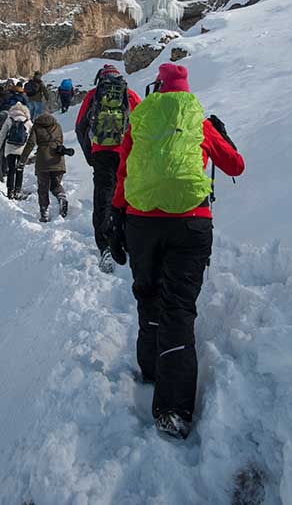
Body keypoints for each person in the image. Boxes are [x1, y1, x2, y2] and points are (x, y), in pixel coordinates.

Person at [109, 62, 244, 440]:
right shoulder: (198, 121)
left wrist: (117, 216)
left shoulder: (140, 119)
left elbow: (123, 172)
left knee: (148, 295)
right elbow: (235, 166)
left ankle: (150, 369)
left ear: (158, 87)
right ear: (185, 89)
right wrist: (222, 135)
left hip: (141, 224)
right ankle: (173, 411)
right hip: (191, 224)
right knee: (179, 309)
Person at [75, 64, 141, 273]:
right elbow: (143, 124)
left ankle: (105, 246)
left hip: (101, 153)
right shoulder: (130, 95)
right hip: (125, 153)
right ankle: (126, 241)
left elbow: (80, 126)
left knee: (103, 196)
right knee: (125, 195)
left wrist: (90, 155)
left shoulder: (94, 95)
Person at [20, 112, 69, 222]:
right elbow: (60, 142)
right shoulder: (57, 125)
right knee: (56, 185)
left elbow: (30, 144)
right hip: (57, 159)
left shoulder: (37, 126)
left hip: (43, 160)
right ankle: (61, 196)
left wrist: (22, 160)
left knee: (43, 188)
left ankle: (44, 212)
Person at [0, 102, 32, 200]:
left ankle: (10, 191)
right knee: (20, 169)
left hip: (9, 149)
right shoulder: (27, 121)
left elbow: (1, 135)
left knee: (11, 170)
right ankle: (17, 191)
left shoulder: (9, 119)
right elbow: (33, 137)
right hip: (22, 149)